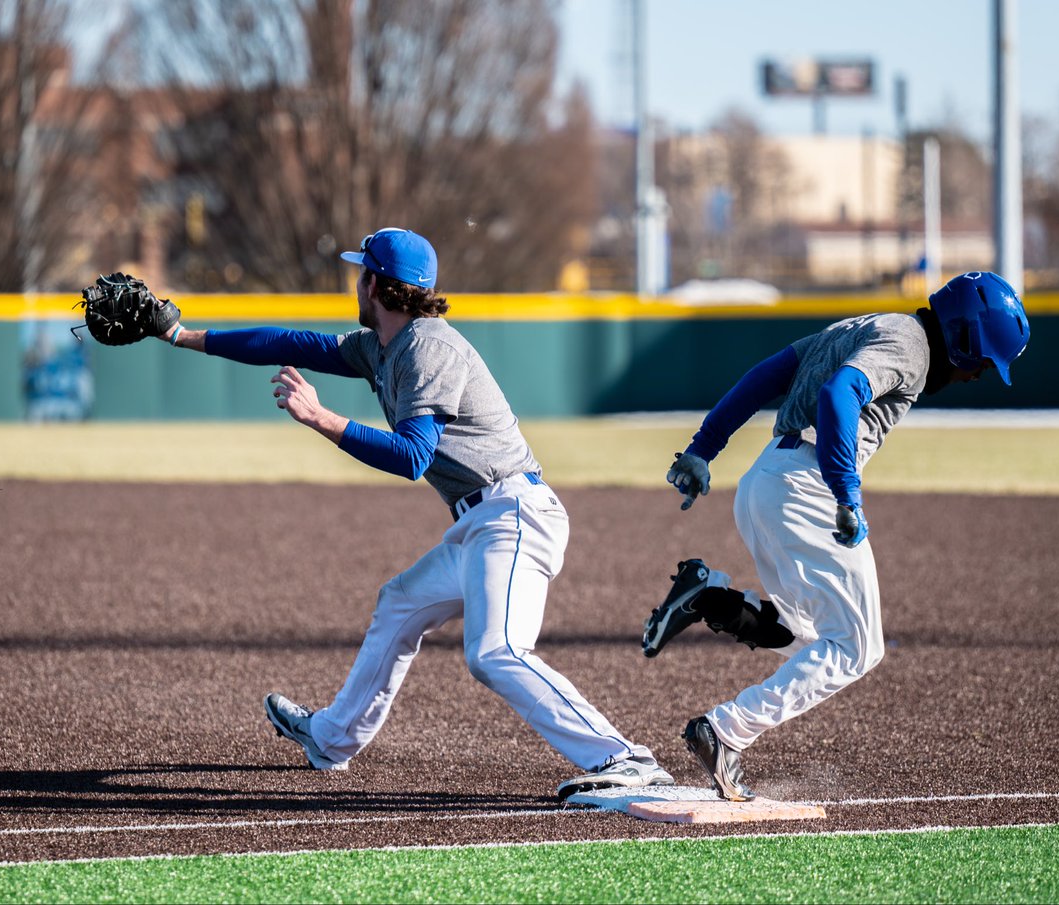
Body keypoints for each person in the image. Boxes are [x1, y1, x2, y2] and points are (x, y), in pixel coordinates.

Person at [157, 227, 673, 800]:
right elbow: (289, 342)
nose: (356, 282)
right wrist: (180, 335)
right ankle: (332, 738)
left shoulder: (429, 348)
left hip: (515, 514)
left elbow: (411, 457)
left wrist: (322, 419)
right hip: (482, 521)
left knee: (495, 652)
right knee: (399, 602)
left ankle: (623, 757)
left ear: (374, 284)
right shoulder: (380, 344)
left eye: (361, 273)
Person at [641, 271, 1030, 801]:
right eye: (983, 363)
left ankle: (709, 596)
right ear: (964, 342)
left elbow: (764, 376)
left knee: (800, 635)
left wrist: (703, 448)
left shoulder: (865, 325)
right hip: (808, 490)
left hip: (763, 484)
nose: (979, 375)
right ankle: (725, 731)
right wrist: (847, 493)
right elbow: (839, 393)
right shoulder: (912, 348)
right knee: (856, 647)